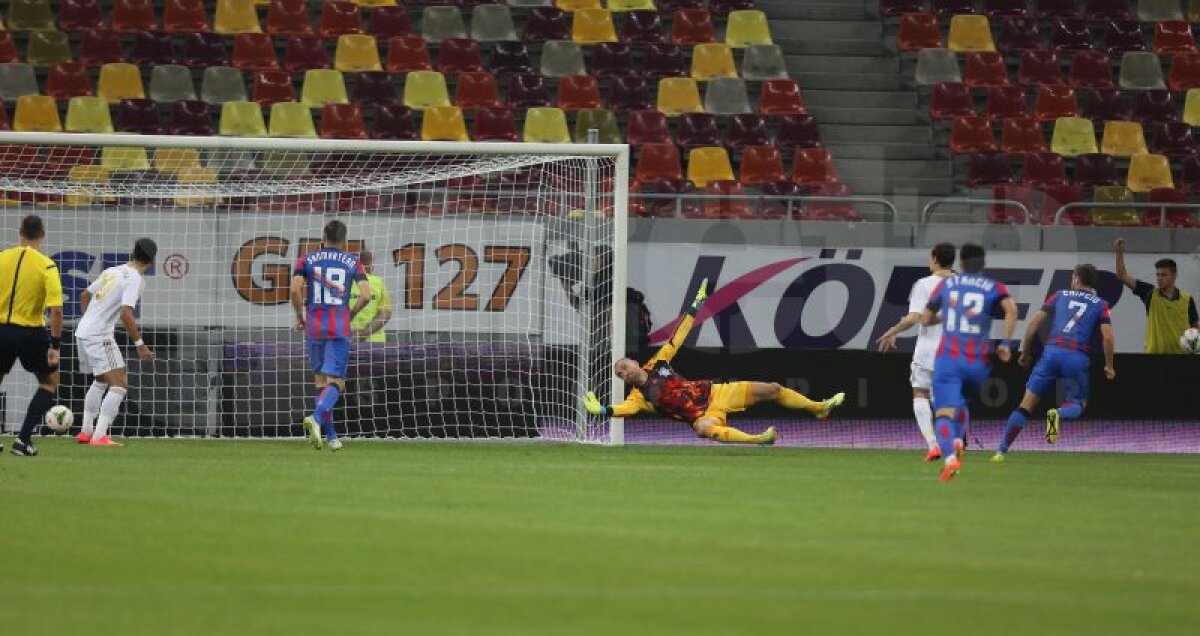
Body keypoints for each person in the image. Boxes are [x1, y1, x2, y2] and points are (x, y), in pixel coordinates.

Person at [583, 280, 845, 445]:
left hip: (716, 392)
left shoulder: (658, 361)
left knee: (773, 389)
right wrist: (603, 411)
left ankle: (819, 407)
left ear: (633, 362)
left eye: (624, 367)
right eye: (620, 375)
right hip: (701, 415)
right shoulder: (639, 397)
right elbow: (625, 410)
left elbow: (679, 334)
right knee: (703, 430)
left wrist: (697, 304)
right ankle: (759, 439)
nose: (624, 373)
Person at [994, 265, 1115, 461]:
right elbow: (1107, 337)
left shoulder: (1059, 295)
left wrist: (1025, 353)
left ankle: (1001, 450)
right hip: (1076, 357)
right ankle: (1058, 413)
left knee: (1025, 406)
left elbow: (1033, 325)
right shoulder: (1101, 304)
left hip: (1051, 353)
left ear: (1077, 279)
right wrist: (1109, 365)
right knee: (1077, 404)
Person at [921, 244, 1018, 481]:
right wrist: (1005, 343)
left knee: (943, 413)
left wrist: (945, 317)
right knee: (963, 400)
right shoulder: (994, 286)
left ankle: (950, 459)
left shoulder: (947, 285)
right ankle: (958, 438)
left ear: (961, 263)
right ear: (984, 264)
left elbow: (925, 318)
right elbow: (1012, 310)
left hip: (949, 360)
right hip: (977, 364)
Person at [290, 220, 371, 451]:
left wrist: (300, 316)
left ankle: (332, 437)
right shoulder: (353, 261)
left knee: (320, 381)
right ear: (344, 240)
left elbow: (295, 289)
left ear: (322, 236)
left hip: (314, 325)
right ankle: (316, 417)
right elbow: (365, 295)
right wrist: (350, 314)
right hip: (338, 326)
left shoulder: (306, 259)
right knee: (336, 383)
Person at [876, 242, 956, 462]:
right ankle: (954, 441)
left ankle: (933, 445)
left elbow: (914, 317)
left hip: (928, 351)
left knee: (920, 393)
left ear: (935, 258)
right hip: (954, 351)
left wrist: (893, 331)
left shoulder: (924, 284)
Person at [74, 239, 158, 447]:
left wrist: (90, 319)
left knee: (101, 380)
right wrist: (140, 345)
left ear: (132, 253)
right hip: (99, 335)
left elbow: (84, 295)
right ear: (152, 260)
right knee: (120, 384)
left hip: (83, 332)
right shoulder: (135, 278)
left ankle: (86, 431)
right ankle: (99, 436)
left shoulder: (112, 270)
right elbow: (126, 313)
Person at [0, 215, 64, 457]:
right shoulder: (46, 265)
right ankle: (23, 440)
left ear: (20, 233)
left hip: (1, 329)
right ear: (42, 234)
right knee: (49, 381)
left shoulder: (2, 258)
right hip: (30, 332)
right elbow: (56, 310)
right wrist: (55, 345)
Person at [1113, 238, 1198, 353]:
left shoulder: (1187, 299)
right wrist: (1119, 252)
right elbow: (1122, 276)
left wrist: (1192, 342)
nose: (1159, 278)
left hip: (1181, 357)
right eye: (1158, 275)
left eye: (1164, 275)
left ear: (1174, 275)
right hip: (1153, 357)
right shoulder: (1150, 293)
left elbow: (1195, 326)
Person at [349, 251, 393, 343]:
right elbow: (385, 313)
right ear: (368, 265)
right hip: (374, 341)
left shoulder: (340, 282)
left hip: (344, 338)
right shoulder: (377, 282)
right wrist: (364, 333)